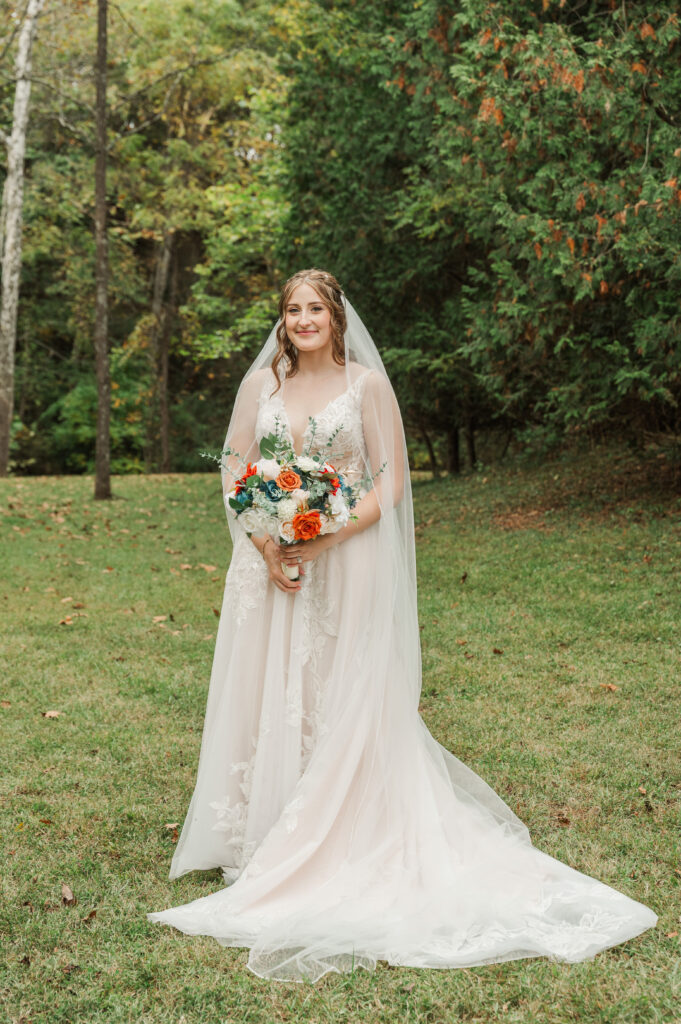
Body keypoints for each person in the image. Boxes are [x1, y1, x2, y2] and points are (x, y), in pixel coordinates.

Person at [147, 269, 657, 982]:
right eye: (292, 310)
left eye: (314, 309)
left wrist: (324, 536)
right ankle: (264, 830)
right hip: (268, 562)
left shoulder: (366, 387)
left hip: (346, 560)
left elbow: (389, 479)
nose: (301, 320)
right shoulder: (258, 386)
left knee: (341, 688)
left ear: (336, 317)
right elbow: (236, 466)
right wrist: (265, 540)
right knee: (268, 687)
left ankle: (338, 831)